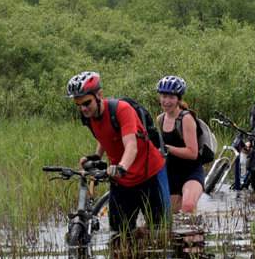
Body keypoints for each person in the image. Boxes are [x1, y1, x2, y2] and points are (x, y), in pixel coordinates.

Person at [67, 71, 169, 235]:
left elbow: (131, 146)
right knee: (119, 233)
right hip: (121, 182)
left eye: (86, 103)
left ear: (99, 95)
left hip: (148, 175)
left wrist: (121, 167)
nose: (83, 108)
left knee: (159, 231)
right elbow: (105, 134)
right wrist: (96, 157)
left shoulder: (122, 109)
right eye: (78, 104)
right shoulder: (88, 117)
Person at [156, 75, 204, 214]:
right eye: (164, 96)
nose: (167, 101)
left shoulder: (186, 118)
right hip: (171, 174)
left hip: (191, 172)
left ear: (178, 99)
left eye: (171, 97)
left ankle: (197, 235)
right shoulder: (160, 119)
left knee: (188, 207)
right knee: (170, 214)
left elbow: (192, 153)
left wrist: (168, 149)